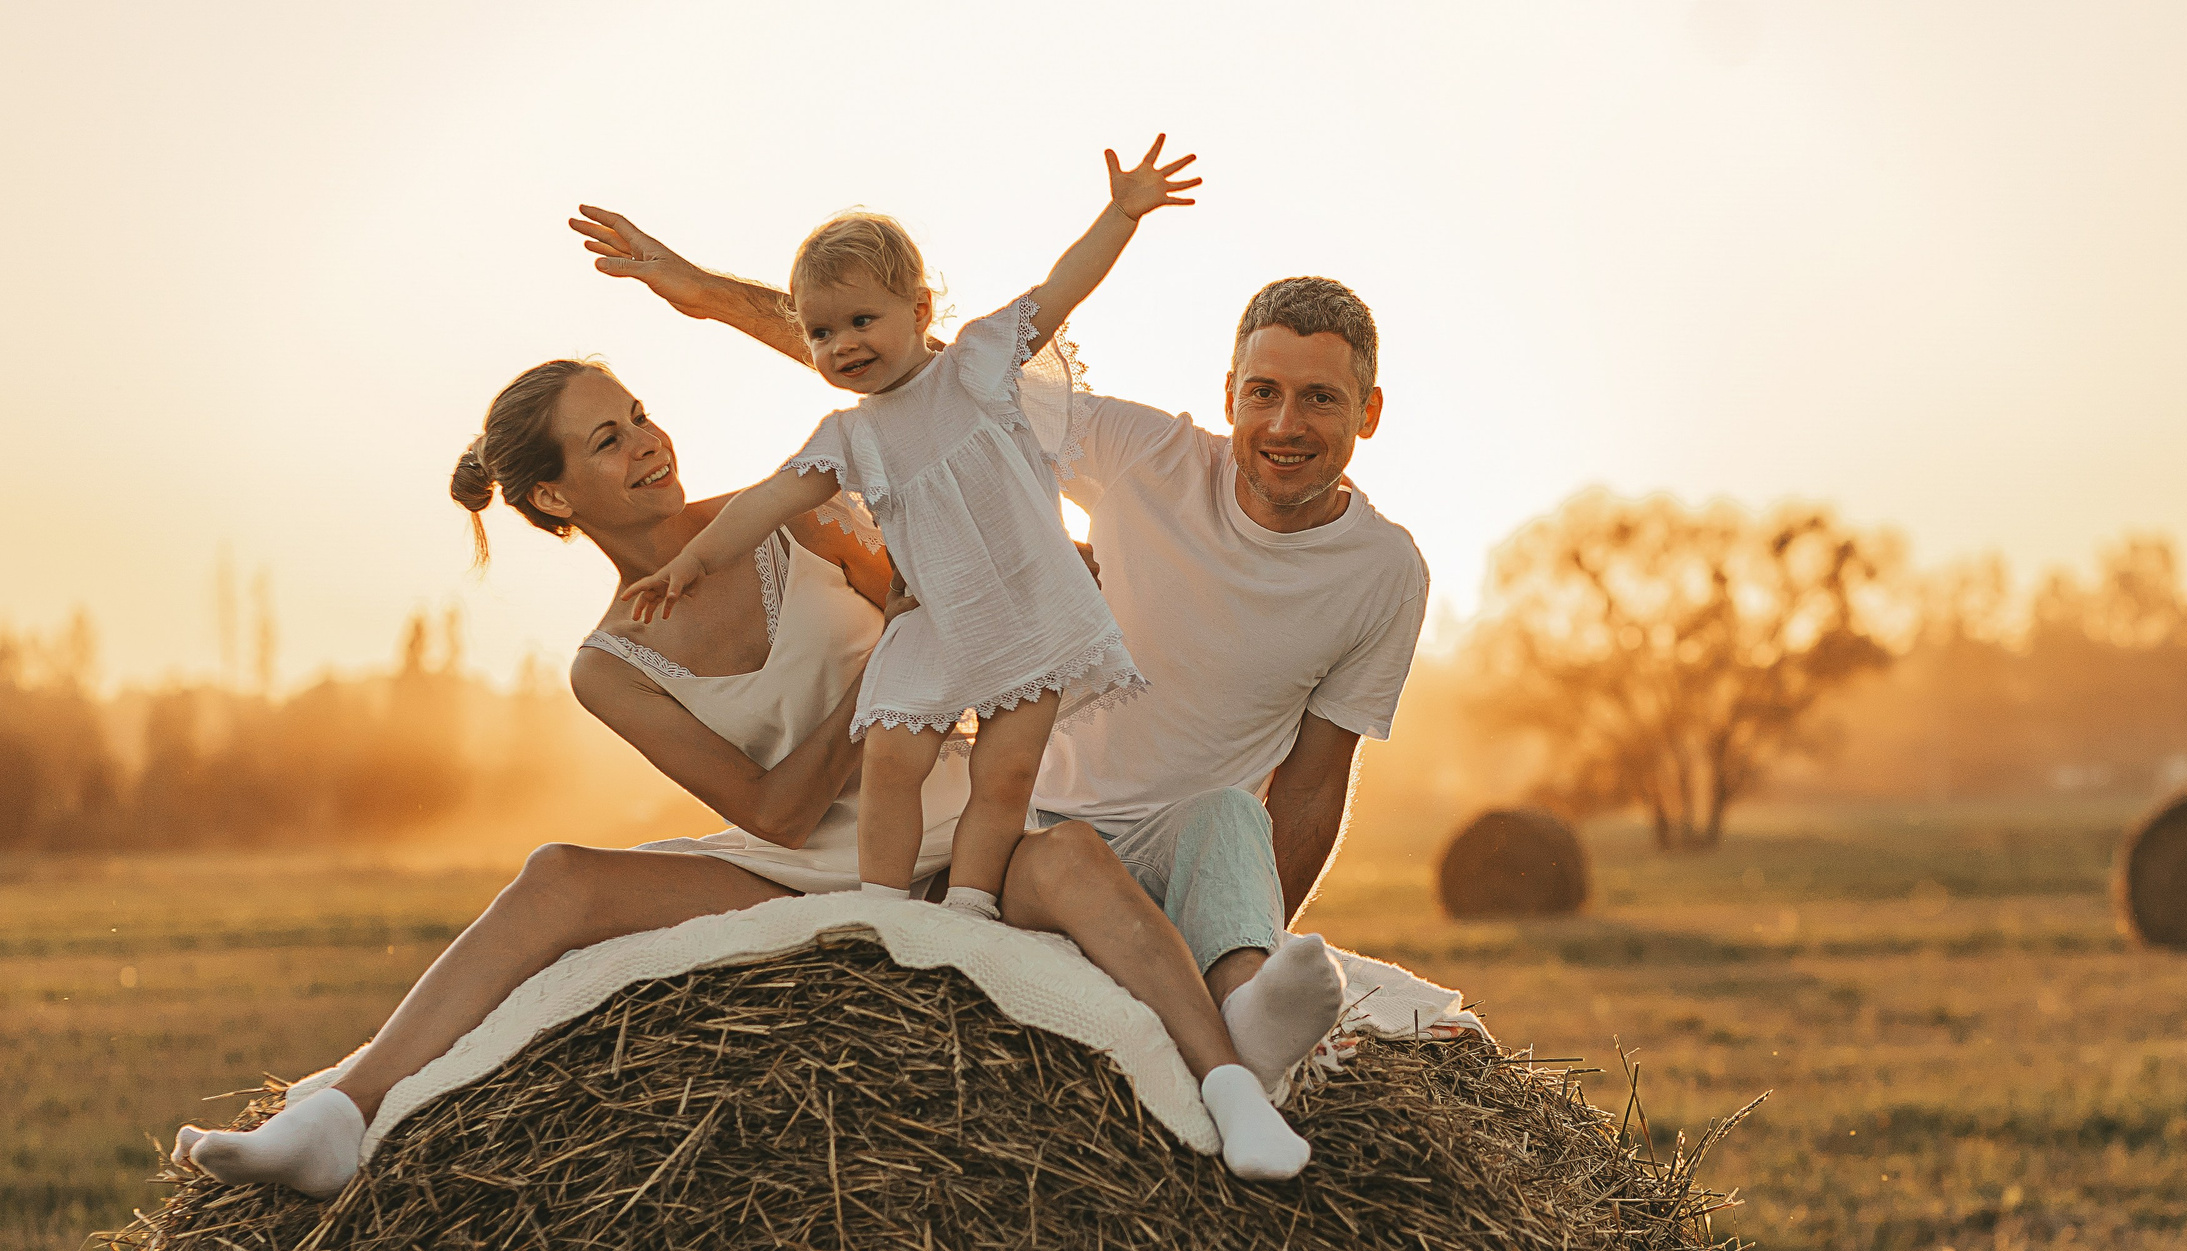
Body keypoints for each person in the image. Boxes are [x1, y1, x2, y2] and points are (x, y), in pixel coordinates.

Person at [178, 356, 1312, 1197]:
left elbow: (936, 577)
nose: (646, 442)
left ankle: (1228, 1086)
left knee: (1066, 859)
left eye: (639, 415)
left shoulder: (796, 513)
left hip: (952, 818)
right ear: (559, 499)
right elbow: (769, 807)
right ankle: (341, 1115)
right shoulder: (606, 664)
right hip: (796, 860)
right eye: (607, 441)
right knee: (557, 877)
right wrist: (879, 694)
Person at [574, 215, 1426, 1095]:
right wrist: (713, 297)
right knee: (1069, 856)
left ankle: (1250, 1011)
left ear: (1367, 410)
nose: (1285, 423)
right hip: (1042, 831)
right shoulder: (1145, 456)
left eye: (1320, 398)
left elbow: (1318, 783)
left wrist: (1254, 929)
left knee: (1232, 814)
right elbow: (920, 383)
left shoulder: (1385, 573)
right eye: (1264, 392)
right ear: (1229, 395)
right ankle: (1227, 1039)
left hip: (1191, 853)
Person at [620, 139, 1200, 922]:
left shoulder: (975, 366)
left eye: (862, 320)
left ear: (920, 310)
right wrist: (690, 561)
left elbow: (1061, 288)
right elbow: (769, 499)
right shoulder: (851, 435)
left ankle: (968, 909)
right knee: (891, 754)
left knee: (1005, 772)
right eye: (821, 334)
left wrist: (1122, 213)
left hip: (1030, 607)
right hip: (933, 617)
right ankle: (882, 911)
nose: (842, 345)